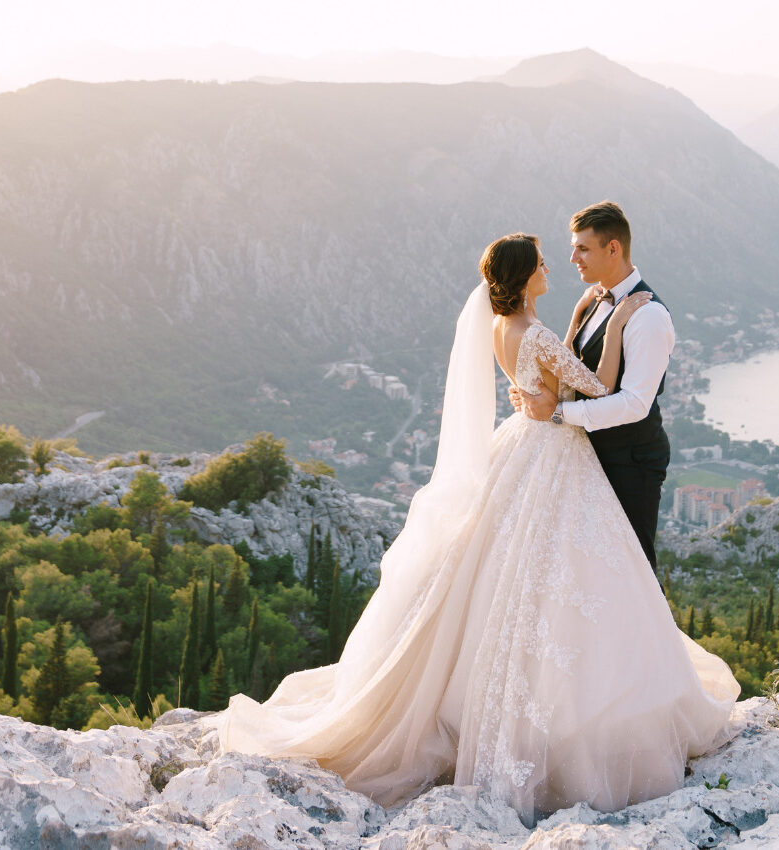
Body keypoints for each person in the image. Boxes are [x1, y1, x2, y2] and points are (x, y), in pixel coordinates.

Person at [216, 232, 738, 822]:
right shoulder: (538, 332)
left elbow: (545, 372)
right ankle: (578, 718)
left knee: (501, 574)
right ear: (523, 276)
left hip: (519, 447)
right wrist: (615, 330)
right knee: (559, 579)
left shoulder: (503, 326)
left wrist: (572, 337)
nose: (555, 267)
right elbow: (600, 388)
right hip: (553, 453)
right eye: (543, 262)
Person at [511, 201, 673, 570]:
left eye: (582, 248)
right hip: (588, 454)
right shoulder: (595, 300)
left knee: (634, 572)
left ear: (612, 248)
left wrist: (555, 413)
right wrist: (532, 392)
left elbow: (634, 404)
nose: (573, 258)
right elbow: (571, 368)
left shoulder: (648, 316)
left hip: (630, 462)